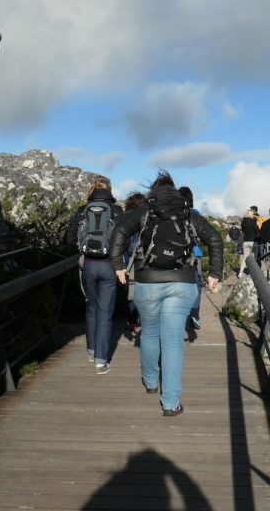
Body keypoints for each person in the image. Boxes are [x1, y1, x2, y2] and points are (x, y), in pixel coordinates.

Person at [110, 171, 223, 416]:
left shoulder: (144, 212)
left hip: (147, 282)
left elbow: (119, 232)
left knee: (149, 332)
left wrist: (119, 266)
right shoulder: (188, 213)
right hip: (182, 282)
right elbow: (214, 238)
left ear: (153, 191)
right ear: (174, 190)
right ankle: (171, 402)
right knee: (172, 341)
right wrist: (215, 273)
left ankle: (150, 382)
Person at [65, 179, 124, 375]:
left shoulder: (83, 210)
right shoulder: (116, 211)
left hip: (87, 265)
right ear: (109, 192)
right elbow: (125, 238)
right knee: (105, 312)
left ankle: (90, 350)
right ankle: (101, 361)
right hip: (109, 266)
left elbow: (69, 236)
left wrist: (81, 249)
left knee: (91, 305)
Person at [121, 191, 148, 334]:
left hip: (130, 259)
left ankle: (132, 322)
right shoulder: (148, 217)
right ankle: (146, 321)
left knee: (131, 291)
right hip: (146, 259)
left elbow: (123, 242)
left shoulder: (126, 218)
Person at [178, 186, 204, 331]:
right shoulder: (196, 214)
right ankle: (194, 314)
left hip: (178, 254)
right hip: (195, 252)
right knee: (197, 284)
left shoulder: (173, 213)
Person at [238, 208, 260, 277]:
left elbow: (243, 231)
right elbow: (257, 231)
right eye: (252, 214)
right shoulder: (253, 222)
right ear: (250, 214)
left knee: (245, 257)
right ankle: (252, 273)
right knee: (254, 257)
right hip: (253, 241)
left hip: (245, 241)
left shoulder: (243, 222)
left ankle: (240, 273)